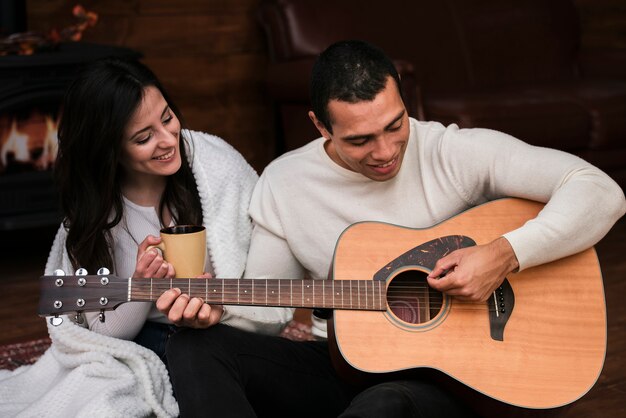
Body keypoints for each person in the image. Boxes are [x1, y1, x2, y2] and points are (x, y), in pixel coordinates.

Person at [159, 40, 626, 417]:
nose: (384, 151)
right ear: (320, 126)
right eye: (359, 140)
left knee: (384, 406)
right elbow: (268, 311)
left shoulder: (453, 152)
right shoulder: (285, 182)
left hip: (464, 378)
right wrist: (218, 313)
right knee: (198, 350)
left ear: (402, 98)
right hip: (348, 364)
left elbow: (600, 191)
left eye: (394, 125)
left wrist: (505, 252)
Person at [46, 57, 291, 363]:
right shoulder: (99, 216)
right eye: (143, 138)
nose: (167, 140)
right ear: (109, 149)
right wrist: (142, 286)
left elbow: (266, 270)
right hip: (147, 342)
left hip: (225, 328)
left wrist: (222, 307)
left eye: (167, 118)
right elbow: (101, 335)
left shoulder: (216, 168)